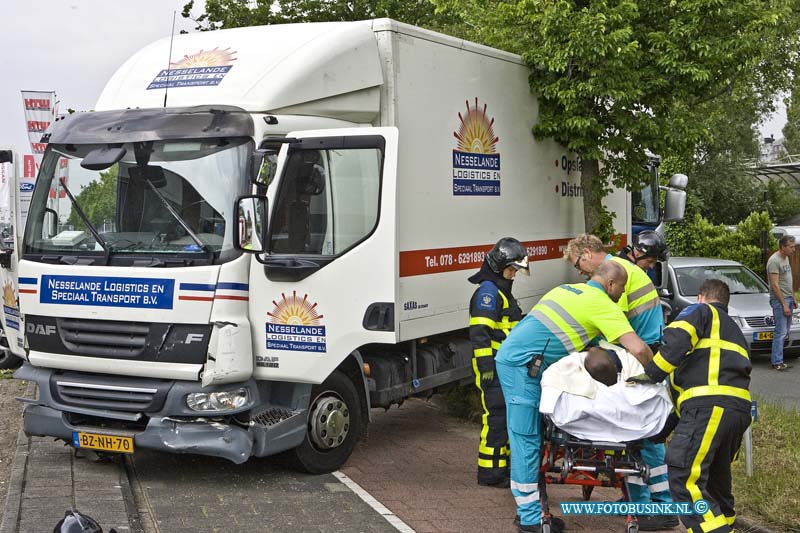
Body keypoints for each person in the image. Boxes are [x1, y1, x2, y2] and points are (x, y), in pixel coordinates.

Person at [496, 260, 653, 533]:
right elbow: (638, 349)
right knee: (527, 440)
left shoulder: (566, 290)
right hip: (523, 368)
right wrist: (656, 376)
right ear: (611, 284)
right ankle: (530, 519)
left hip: (518, 360)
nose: (622, 294)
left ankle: (532, 513)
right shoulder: (602, 304)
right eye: (622, 289)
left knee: (529, 439)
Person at [565, 233, 674, 530]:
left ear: (587, 253)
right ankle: (645, 502)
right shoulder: (621, 270)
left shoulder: (616, 276)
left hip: (637, 356)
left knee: (641, 434)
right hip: (645, 350)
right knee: (641, 434)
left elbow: (613, 326)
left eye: (577, 262)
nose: (578, 270)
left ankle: (657, 507)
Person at [629, 279, 752, 533]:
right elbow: (682, 400)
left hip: (708, 408)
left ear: (700, 297)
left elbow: (677, 339)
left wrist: (651, 373)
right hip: (735, 413)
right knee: (716, 483)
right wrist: (657, 435)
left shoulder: (702, 312)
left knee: (685, 477)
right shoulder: (732, 332)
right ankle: (724, 523)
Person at [468, 237, 529, 487]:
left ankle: (500, 470)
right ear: (498, 265)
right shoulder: (488, 293)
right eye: (511, 269)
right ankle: (490, 474)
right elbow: (479, 334)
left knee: (502, 419)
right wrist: (486, 369)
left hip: (502, 367)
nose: (513, 275)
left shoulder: (499, 291)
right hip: (492, 368)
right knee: (495, 419)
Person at [767, 234, 796, 371]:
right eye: (791, 247)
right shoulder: (774, 261)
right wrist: (784, 304)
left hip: (789, 298)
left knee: (786, 331)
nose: (793, 250)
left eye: (794, 246)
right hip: (780, 301)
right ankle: (776, 361)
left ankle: (780, 360)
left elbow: (788, 279)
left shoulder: (786, 259)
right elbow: (775, 285)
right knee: (781, 331)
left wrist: (794, 298)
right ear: (782, 247)